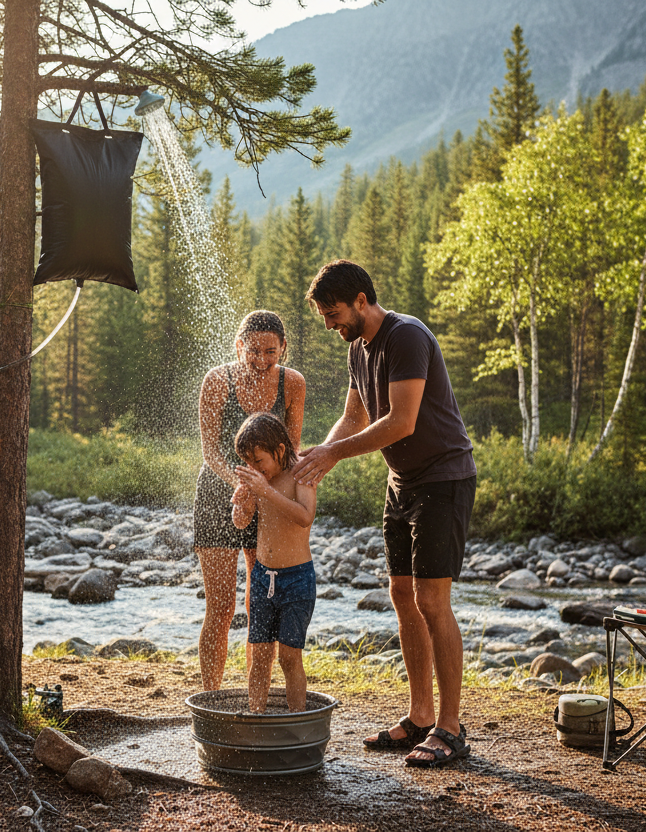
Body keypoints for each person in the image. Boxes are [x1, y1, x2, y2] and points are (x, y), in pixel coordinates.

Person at [292, 260, 477, 768]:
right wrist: (313, 459)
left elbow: (401, 421)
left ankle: (451, 728)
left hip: (444, 479)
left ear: (359, 299)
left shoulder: (406, 336)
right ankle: (420, 716)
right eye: (325, 317)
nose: (331, 325)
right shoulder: (359, 348)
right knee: (401, 594)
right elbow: (354, 417)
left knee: (431, 599)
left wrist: (333, 455)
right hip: (403, 483)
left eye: (333, 314)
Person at [194, 311, 306, 691]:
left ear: (283, 349)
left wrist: (264, 490)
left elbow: (290, 452)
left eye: (271, 352)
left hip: (269, 496)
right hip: (217, 492)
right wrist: (243, 484)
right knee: (221, 605)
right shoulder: (217, 381)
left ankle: (253, 695)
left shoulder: (292, 384)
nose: (261, 359)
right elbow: (210, 452)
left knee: (259, 605)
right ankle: (211, 696)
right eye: (253, 350)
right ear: (239, 345)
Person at [231, 411, 316, 713]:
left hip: (296, 578)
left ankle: (298, 723)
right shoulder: (259, 480)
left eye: (259, 461)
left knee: (289, 658)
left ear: (279, 450)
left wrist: (265, 491)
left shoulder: (301, 474)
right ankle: (255, 716)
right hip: (262, 576)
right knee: (260, 655)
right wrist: (242, 503)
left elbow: (305, 517)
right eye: (248, 463)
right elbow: (241, 524)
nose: (254, 469)